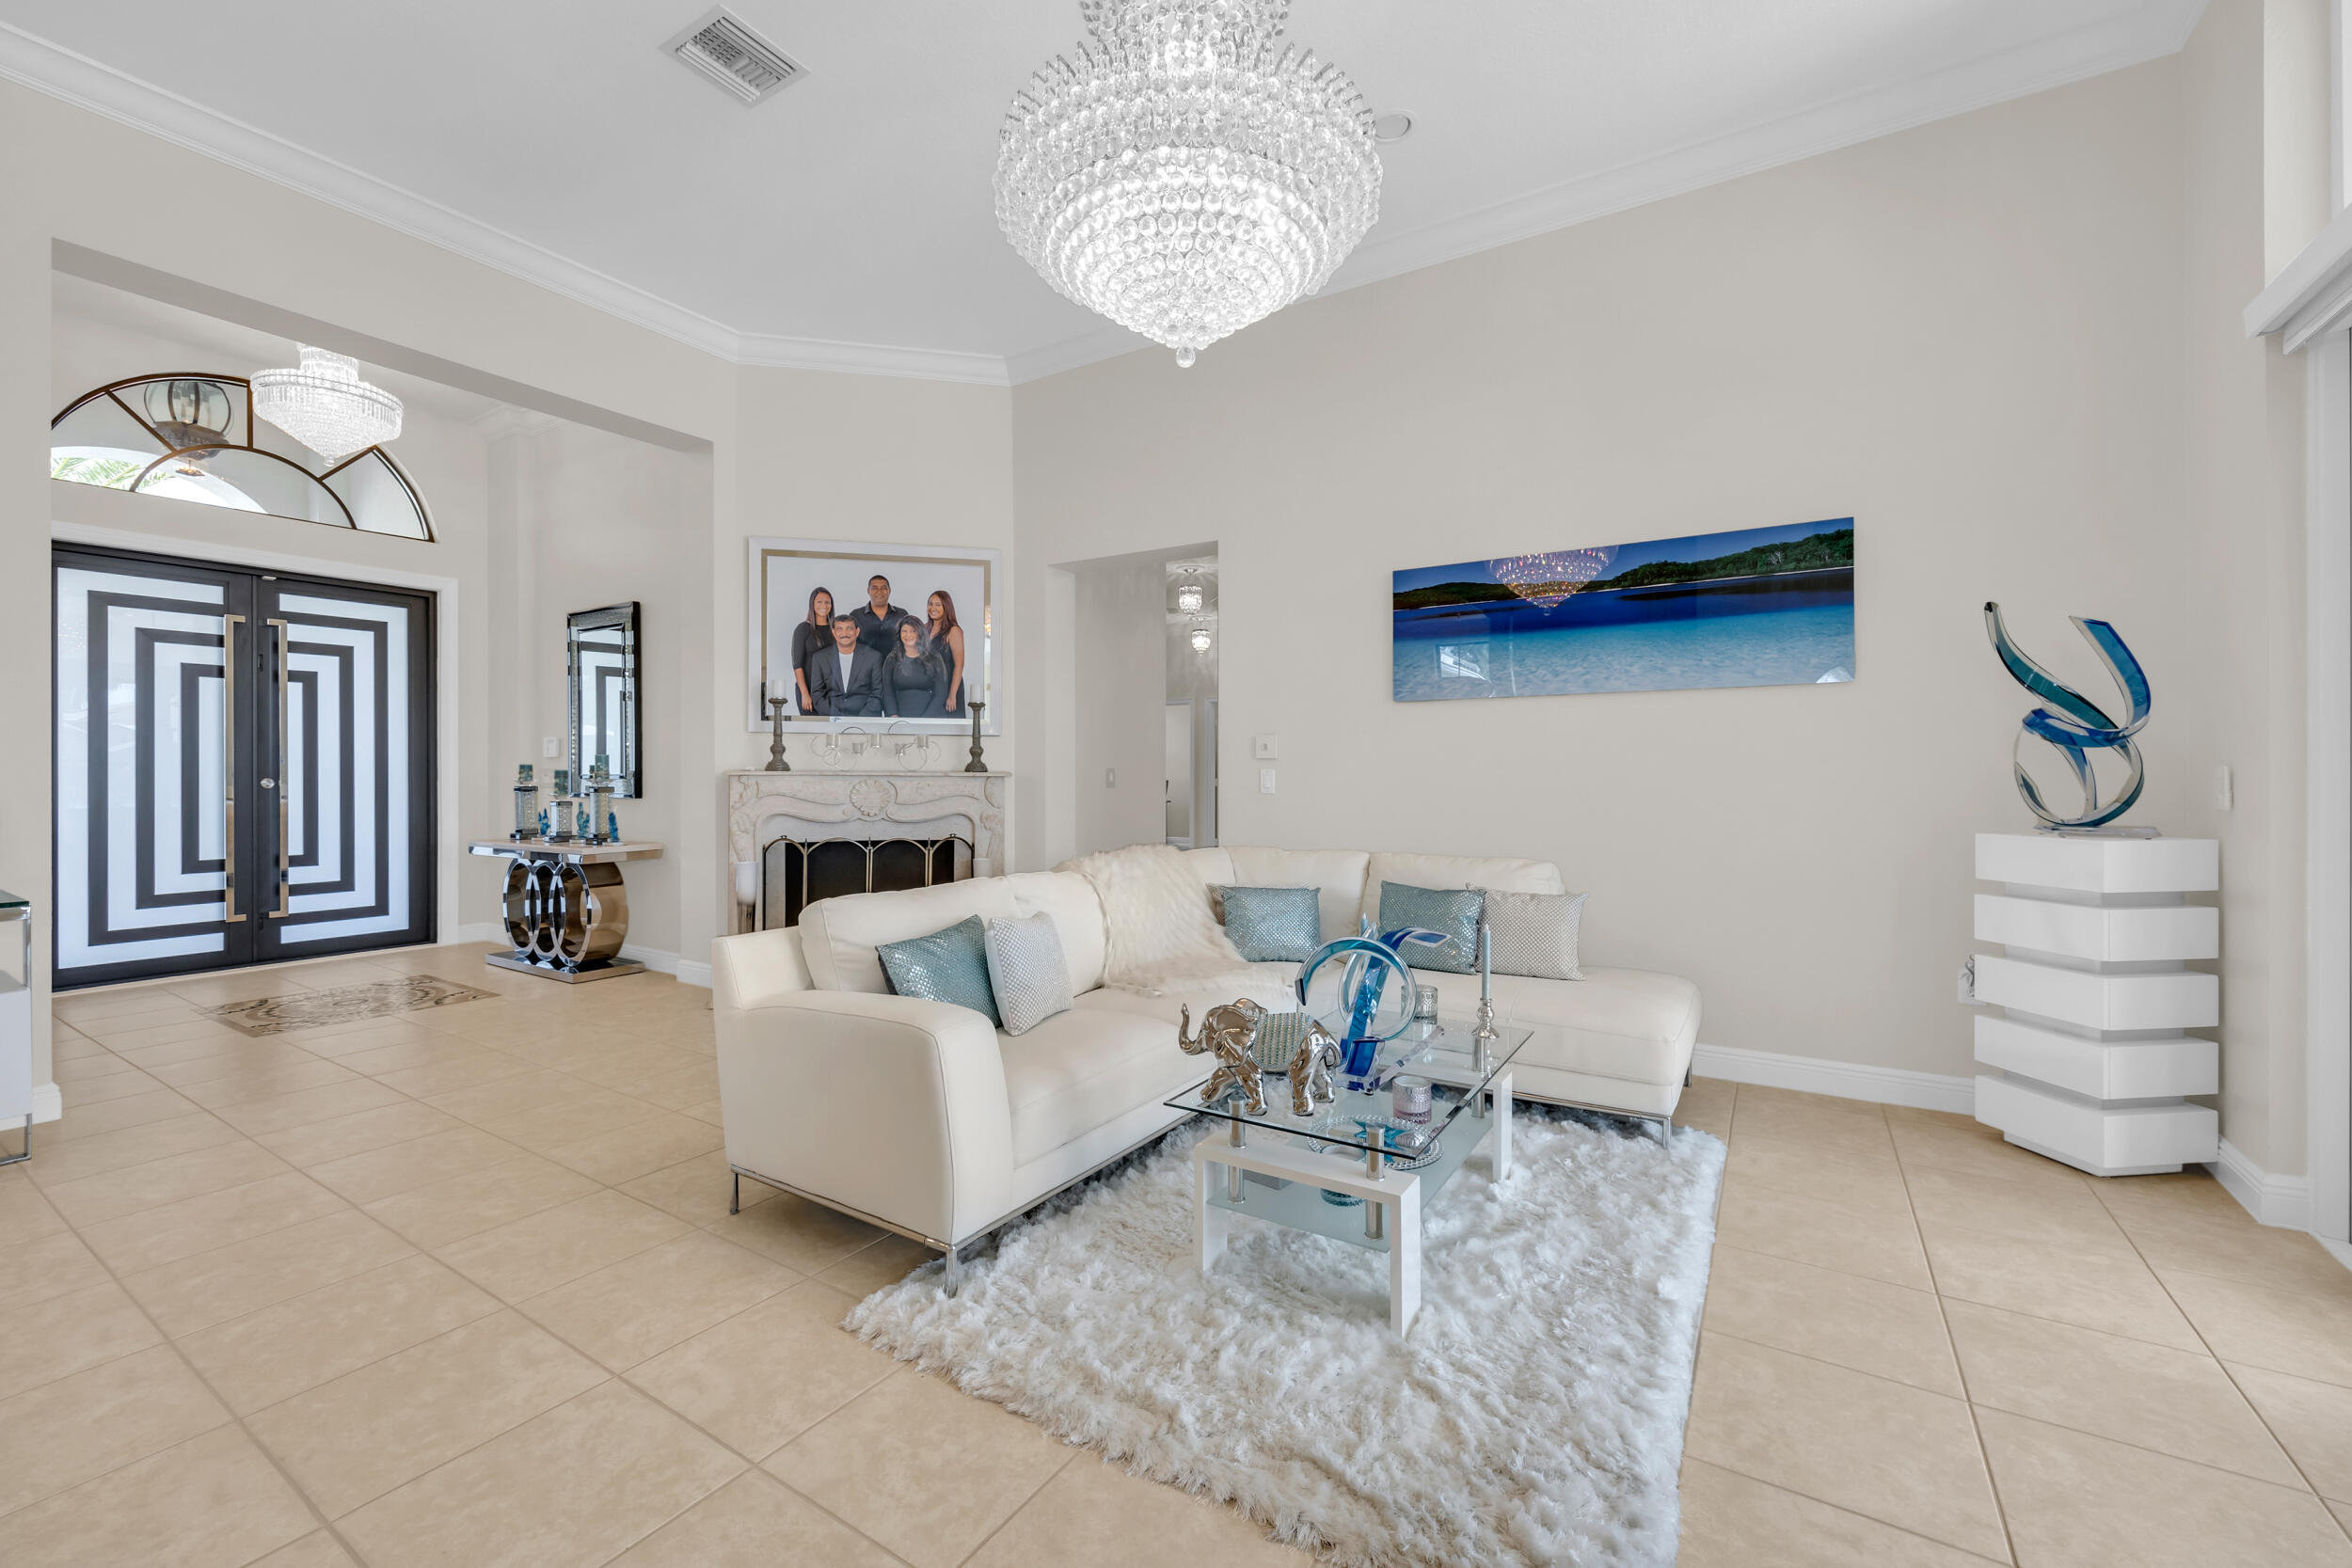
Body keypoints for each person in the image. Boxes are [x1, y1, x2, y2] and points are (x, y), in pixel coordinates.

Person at [807, 612, 886, 717]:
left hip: (865, 717)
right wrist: (837, 718)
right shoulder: (820, 658)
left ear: (857, 632)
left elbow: (877, 692)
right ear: (834, 632)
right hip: (833, 718)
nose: (844, 633)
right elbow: (817, 694)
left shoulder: (874, 657)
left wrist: (861, 719)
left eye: (849, 629)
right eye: (839, 629)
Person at [882, 618, 948, 718]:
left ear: (920, 633)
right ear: (899, 634)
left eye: (913, 631)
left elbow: (940, 694)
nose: (908, 635)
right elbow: (887, 692)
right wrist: (893, 715)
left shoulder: (934, 658)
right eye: (904, 631)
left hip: (931, 717)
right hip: (900, 720)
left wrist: (925, 720)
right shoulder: (892, 658)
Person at [789, 586, 834, 715]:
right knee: (811, 725)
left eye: (827, 602)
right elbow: (797, 665)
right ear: (812, 604)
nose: (824, 605)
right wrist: (804, 693)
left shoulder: (836, 630)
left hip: (830, 692)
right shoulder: (803, 629)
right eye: (819, 601)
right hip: (808, 689)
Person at [925, 590, 967, 714]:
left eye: (938, 605)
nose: (933, 608)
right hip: (930, 689)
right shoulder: (924, 628)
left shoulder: (953, 631)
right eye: (930, 604)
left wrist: (952, 695)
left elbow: (959, 665)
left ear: (946, 607)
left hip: (949, 687)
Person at [850, 574, 913, 658]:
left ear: (889, 590)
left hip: (896, 664)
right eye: (874, 588)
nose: (879, 591)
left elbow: (909, 642)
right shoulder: (856, 615)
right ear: (868, 591)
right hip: (865, 664)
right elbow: (850, 643)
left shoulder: (902, 614)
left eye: (884, 588)